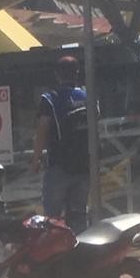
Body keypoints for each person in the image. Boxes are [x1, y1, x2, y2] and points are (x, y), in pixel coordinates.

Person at [32, 56, 93, 232]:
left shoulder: (50, 98)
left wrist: (35, 160)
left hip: (59, 165)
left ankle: (57, 257)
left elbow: (42, 130)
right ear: (77, 73)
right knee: (79, 215)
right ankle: (81, 255)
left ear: (57, 74)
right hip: (83, 166)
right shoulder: (87, 96)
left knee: (52, 218)